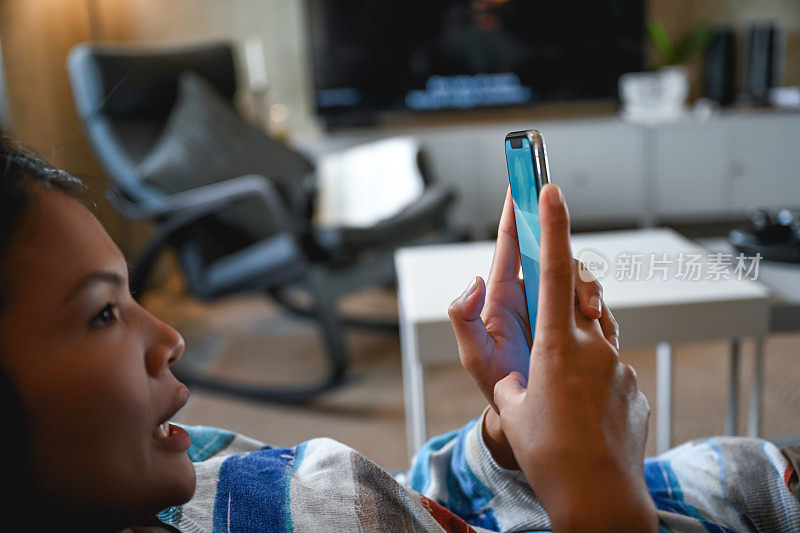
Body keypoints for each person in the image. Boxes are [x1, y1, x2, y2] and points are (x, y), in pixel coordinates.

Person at [0, 134, 798, 533]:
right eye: (103, 312)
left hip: (725, 478)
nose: (169, 335)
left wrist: (509, 439)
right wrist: (600, 494)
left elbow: (401, 497)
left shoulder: (182, 463)